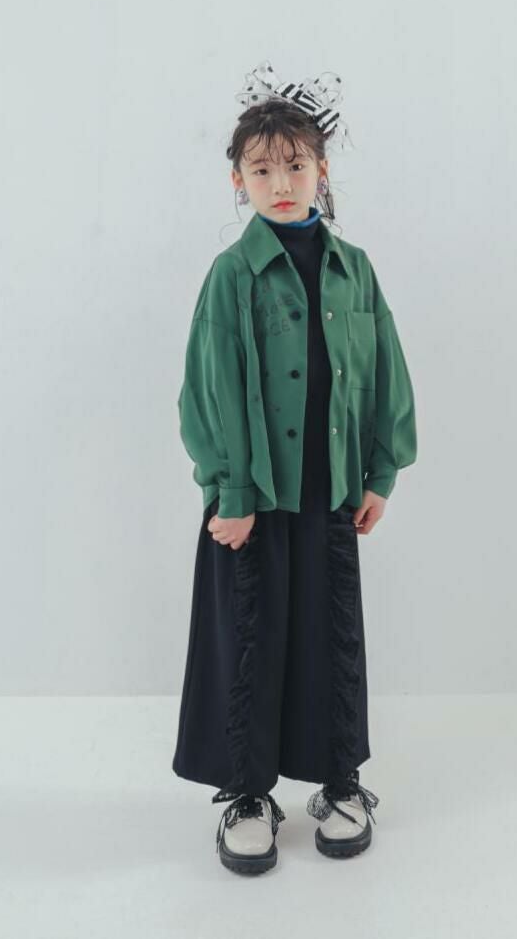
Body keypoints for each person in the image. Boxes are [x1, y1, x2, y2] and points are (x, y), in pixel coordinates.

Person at [171, 61, 417, 874]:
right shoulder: (232, 275)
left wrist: (380, 471)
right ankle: (247, 793)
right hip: (254, 496)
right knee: (251, 634)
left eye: (296, 165)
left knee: (331, 633)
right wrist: (232, 490)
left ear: (322, 169)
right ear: (237, 180)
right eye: (262, 169)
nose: (281, 184)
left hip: (329, 488)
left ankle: (340, 782)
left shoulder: (355, 268)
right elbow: (209, 389)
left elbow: (385, 372)